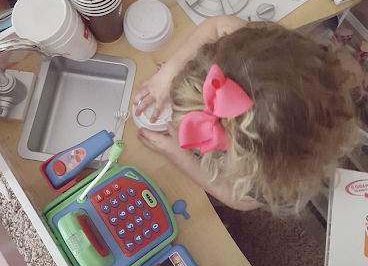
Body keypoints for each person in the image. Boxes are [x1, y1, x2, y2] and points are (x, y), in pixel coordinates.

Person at [133, 15, 359, 213]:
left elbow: (238, 199)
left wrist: (179, 155)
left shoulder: (275, 178)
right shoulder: (247, 58)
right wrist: (167, 76)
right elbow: (217, 24)